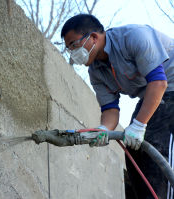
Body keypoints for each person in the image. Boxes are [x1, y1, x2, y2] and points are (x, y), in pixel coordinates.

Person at [61, 14, 174, 199]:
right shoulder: (96, 72)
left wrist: (138, 126)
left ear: (94, 37)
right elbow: (110, 110)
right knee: (134, 148)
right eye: (69, 48)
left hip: (167, 87)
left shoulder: (134, 37)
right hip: (156, 94)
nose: (73, 53)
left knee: (155, 142)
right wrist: (103, 129)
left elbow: (158, 83)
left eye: (74, 45)